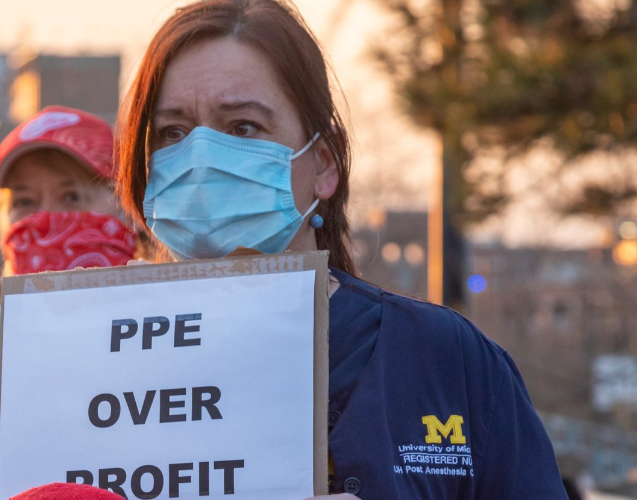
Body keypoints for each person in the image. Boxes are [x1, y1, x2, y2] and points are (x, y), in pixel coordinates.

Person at [111, 0, 568, 498]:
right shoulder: (98, 366)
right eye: (172, 133)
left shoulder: (447, 362)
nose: (202, 160)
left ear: (324, 164)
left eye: (243, 128)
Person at [0, 106, 139, 500]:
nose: (46, 220)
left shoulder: (174, 333)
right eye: (24, 201)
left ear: (126, 205)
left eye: (72, 196)